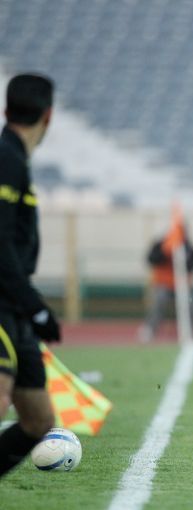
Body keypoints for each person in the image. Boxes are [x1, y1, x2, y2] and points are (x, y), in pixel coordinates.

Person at [0, 73, 60, 479]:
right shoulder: (7, 157)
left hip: (15, 304)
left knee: (38, 419)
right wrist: (34, 306)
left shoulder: (16, 158)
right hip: (5, 302)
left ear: (6, 110)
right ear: (48, 116)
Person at [139, 227, 193, 342]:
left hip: (183, 286)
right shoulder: (161, 245)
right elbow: (151, 259)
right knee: (159, 300)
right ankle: (150, 329)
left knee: (192, 302)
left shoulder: (188, 247)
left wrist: (185, 259)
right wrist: (164, 252)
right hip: (164, 285)